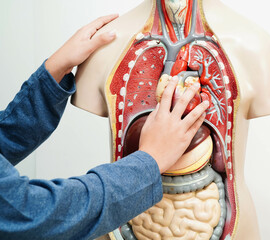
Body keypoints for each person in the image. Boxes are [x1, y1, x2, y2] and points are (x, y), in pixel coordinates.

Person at [0, 14, 209, 240]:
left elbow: (4, 141)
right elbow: (31, 215)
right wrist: (150, 160)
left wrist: (53, 73)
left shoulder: (244, 41)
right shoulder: (111, 51)